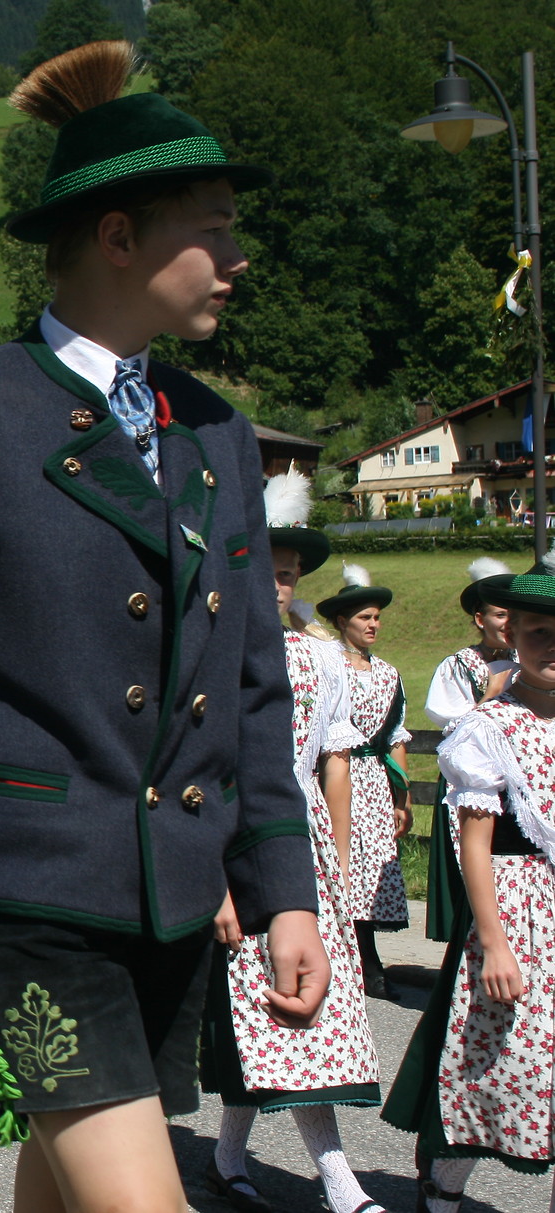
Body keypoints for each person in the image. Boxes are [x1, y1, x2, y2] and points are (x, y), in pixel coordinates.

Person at [0, 42, 327, 1213]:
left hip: (163, 899)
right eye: (211, 227)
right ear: (117, 235)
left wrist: (282, 886)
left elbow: (251, 680)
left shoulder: (214, 432)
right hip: (20, 897)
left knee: (60, 1189)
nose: (236, 255)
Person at [198, 467, 386, 1213]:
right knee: (271, 1011)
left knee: (301, 1009)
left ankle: (230, 1152)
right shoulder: (213, 648)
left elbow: (334, 761)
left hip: (300, 839)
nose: (277, 584)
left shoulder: (318, 657)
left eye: (287, 574)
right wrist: (213, 872)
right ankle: (334, 1177)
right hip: (235, 839)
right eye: (266, 570)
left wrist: (337, 858)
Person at [382, 567, 555, 1213]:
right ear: (513, 635)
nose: (553, 645)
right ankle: (443, 1184)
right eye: (540, 632)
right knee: (495, 1060)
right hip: (517, 912)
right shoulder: (489, 728)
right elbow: (475, 845)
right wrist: (494, 941)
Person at [317, 564, 411, 999]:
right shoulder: (328, 665)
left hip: (373, 781)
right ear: (342, 622)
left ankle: (365, 952)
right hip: (337, 773)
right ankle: (346, 955)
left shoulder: (389, 673)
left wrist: (402, 797)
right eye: (363, 618)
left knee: (371, 868)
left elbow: (395, 738)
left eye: (376, 617)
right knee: (341, 864)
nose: (372, 625)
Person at [420, 557, 516, 943]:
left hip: (521, 782)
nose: (507, 623)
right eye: (499, 615)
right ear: (480, 619)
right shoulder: (460, 665)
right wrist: (491, 697)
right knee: (475, 869)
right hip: (476, 782)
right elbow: (453, 730)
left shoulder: (534, 661)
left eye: (513, 615)